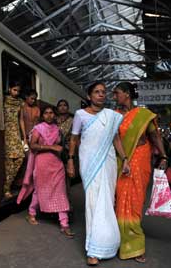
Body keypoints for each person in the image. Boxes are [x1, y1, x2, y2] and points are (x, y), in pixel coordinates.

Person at [67, 81, 130, 266]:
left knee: (107, 202)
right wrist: (70, 160)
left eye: (103, 92)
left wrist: (125, 159)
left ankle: (108, 243)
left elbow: (116, 138)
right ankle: (93, 250)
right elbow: (74, 138)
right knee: (93, 204)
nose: (101, 95)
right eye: (97, 92)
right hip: (89, 164)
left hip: (108, 162)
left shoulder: (111, 115)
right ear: (89, 96)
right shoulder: (80, 115)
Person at [112, 82, 168, 263]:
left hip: (141, 160)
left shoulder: (143, 115)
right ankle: (117, 241)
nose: (114, 97)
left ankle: (135, 245)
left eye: (117, 93)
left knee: (135, 202)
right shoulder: (115, 115)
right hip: (121, 161)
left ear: (127, 94)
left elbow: (155, 136)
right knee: (120, 199)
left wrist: (164, 156)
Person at [17, 106, 74, 238]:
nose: (49, 115)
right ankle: (31, 213)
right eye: (46, 113)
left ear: (54, 115)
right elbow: (33, 145)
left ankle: (64, 224)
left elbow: (60, 145)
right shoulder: (38, 128)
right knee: (39, 190)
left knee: (60, 192)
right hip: (42, 163)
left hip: (56, 165)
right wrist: (51, 147)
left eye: (51, 113)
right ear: (42, 116)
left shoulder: (57, 129)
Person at [3, 81, 27, 200]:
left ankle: (7, 185)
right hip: (5, 132)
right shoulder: (3, 99)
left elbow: (21, 120)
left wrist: (24, 137)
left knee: (20, 158)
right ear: (9, 89)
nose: (16, 93)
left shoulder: (20, 103)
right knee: (8, 161)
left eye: (18, 91)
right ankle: (7, 189)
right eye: (14, 90)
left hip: (16, 132)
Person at [56, 99, 75, 209]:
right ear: (57, 108)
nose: (62, 107)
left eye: (65, 105)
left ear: (68, 108)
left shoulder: (72, 121)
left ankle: (67, 207)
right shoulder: (54, 120)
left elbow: (75, 138)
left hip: (67, 153)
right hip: (54, 153)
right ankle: (55, 207)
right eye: (60, 105)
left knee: (66, 180)